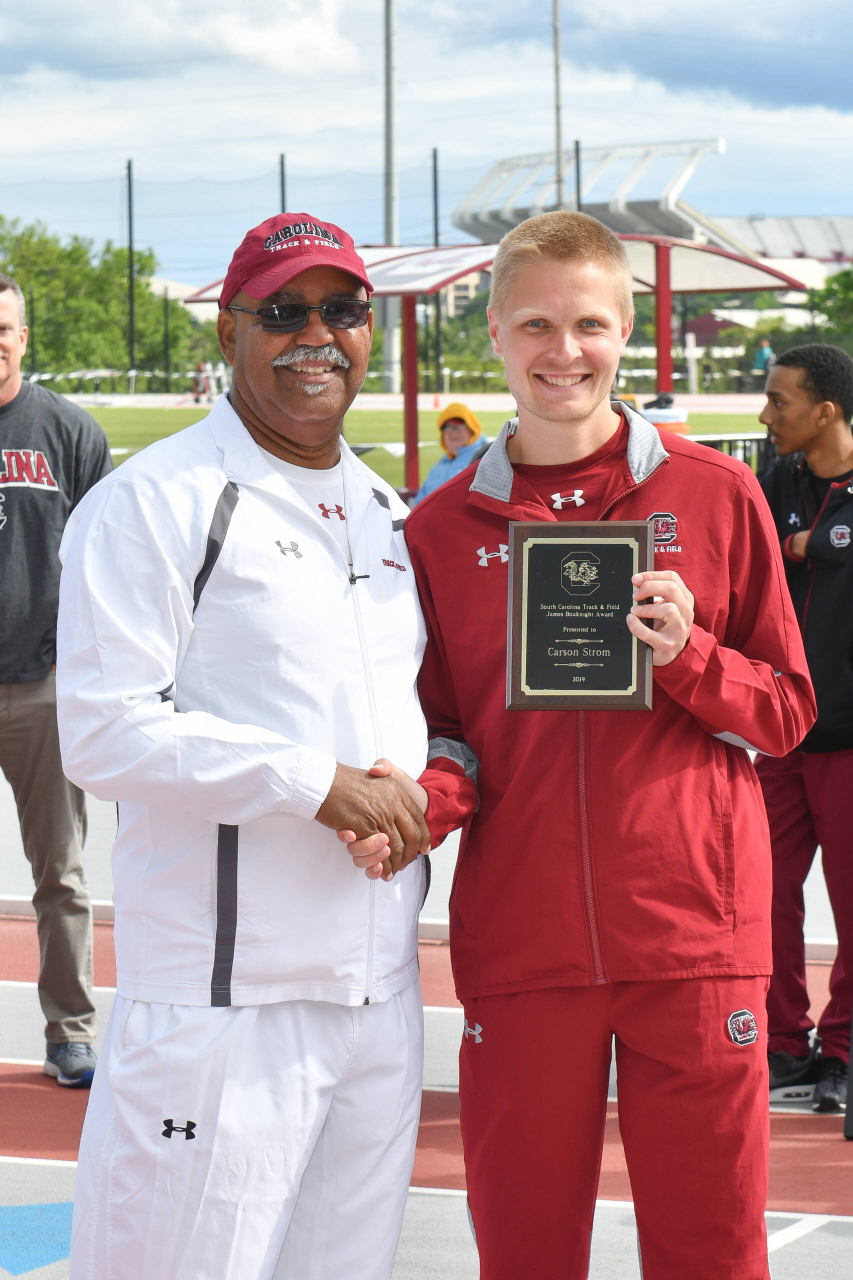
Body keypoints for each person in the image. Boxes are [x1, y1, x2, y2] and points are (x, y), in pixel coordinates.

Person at [349, 212, 816, 1279]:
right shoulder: (437, 529)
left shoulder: (715, 492)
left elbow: (786, 710)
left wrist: (688, 653)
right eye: (537, 325)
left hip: (693, 936)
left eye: (590, 325)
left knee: (710, 1252)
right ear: (499, 337)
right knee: (522, 1252)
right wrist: (415, 804)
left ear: (627, 331)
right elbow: (449, 735)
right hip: (525, 943)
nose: (565, 350)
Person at [56, 213, 434, 1280]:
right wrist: (311, 784)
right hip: (225, 1004)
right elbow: (102, 725)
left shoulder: (380, 506)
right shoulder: (153, 500)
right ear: (228, 332)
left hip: (376, 996)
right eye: (283, 311)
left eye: (342, 310)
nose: (317, 335)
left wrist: (415, 797)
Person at [0, 273, 112, 1088]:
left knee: (62, 874)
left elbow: (113, 568)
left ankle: (69, 1028)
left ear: (24, 337)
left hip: (41, 688)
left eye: (5, 326)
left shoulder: (68, 432)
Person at [757, 343, 853, 1114]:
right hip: (779, 737)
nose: (764, 414)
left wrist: (812, 545)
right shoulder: (772, 481)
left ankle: (845, 1052)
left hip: (849, 739)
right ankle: (783, 1043)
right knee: (763, 897)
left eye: (779, 401)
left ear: (824, 411)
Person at [412, 401, 486, 504]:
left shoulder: (485, 459)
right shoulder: (439, 466)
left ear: (473, 429)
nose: (453, 432)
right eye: (447, 427)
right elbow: (419, 503)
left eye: (460, 426)